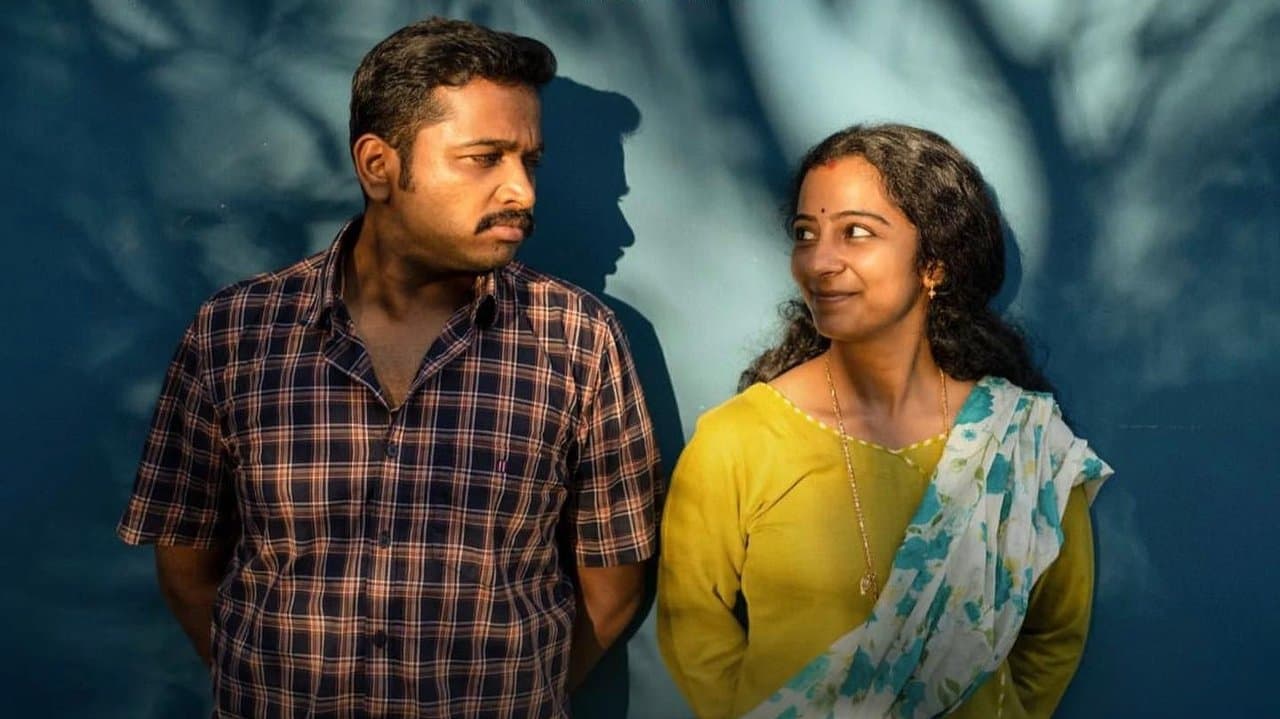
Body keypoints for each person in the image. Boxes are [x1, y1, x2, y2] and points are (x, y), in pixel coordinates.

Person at [116, 17, 661, 718]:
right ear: (378, 166)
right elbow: (186, 562)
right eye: (484, 158)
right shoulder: (237, 333)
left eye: (530, 161)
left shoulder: (579, 340)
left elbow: (613, 586)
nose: (522, 192)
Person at [657, 124, 1111, 718]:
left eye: (856, 232)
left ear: (935, 264)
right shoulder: (738, 439)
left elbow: (1056, 632)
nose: (819, 261)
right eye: (806, 234)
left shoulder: (1020, 441)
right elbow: (692, 625)